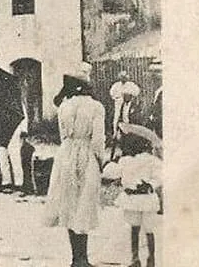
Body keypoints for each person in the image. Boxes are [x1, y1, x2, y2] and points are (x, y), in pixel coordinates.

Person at [44, 63, 107, 267]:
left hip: (66, 153)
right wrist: (100, 160)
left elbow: (63, 135)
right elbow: (98, 139)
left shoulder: (64, 106)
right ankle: (83, 258)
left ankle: (75, 258)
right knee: (84, 203)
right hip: (86, 153)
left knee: (69, 202)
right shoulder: (96, 107)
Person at [109, 125, 161, 267]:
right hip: (146, 198)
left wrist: (109, 163)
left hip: (133, 199)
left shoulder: (125, 161)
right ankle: (150, 259)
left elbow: (111, 173)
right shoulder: (151, 160)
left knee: (135, 228)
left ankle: (136, 258)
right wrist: (150, 185)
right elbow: (159, 176)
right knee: (148, 229)